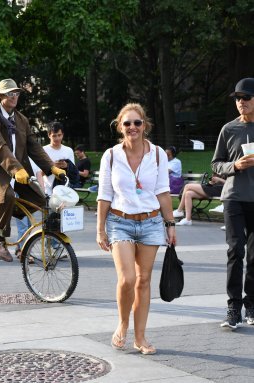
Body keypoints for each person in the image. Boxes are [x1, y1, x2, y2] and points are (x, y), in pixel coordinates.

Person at [96, 103, 176, 355]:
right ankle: (122, 323)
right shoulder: (110, 156)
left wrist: (170, 224)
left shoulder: (158, 154)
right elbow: (104, 195)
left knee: (143, 280)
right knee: (128, 278)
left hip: (151, 222)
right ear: (120, 126)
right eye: (127, 123)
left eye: (137, 123)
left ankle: (140, 337)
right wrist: (100, 230)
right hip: (120, 222)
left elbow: (163, 191)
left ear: (145, 125)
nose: (132, 127)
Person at [0, 78, 65, 262]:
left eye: (16, 93)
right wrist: (16, 168)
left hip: (18, 171)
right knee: (7, 195)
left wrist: (51, 168)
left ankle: (19, 231)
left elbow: (34, 147)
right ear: (0, 97)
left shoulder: (21, 119)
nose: (14, 96)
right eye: (10, 93)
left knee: (40, 199)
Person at [211, 77, 254, 329]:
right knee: (235, 252)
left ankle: (251, 305)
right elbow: (216, 163)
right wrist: (234, 166)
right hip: (234, 198)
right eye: (238, 98)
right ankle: (233, 308)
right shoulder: (229, 129)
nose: (241, 102)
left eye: (246, 98)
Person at [41, 121, 79, 194]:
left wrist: (67, 165)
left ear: (63, 135)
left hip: (64, 189)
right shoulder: (43, 150)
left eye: (59, 135)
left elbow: (73, 172)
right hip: (47, 189)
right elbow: (38, 173)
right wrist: (53, 166)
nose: (57, 138)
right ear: (49, 135)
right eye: (54, 136)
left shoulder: (68, 150)